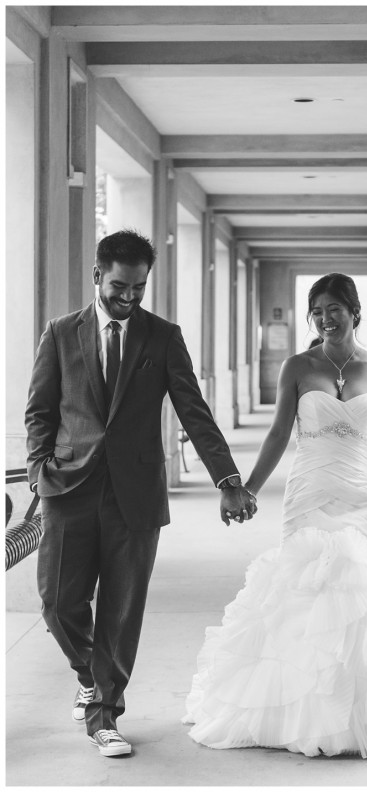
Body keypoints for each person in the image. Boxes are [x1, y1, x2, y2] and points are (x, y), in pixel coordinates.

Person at [182, 272, 367, 758]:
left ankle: (355, 712)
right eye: (317, 311)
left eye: (334, 309)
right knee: (304, 587)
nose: (325, 319)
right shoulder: (297, 366)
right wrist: (247, 488)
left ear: (355, 312)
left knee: (355, 587)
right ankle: (297, 709)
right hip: (308, 489)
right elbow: (276, 435)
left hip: (359, 494)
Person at [25, 229, 256, 757]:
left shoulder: (162, 336)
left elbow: (194, 411)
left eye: (139, 289)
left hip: (136, 494)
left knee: (122, 609)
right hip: (69, 488)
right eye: (120, 287)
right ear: (97, 277)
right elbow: (40, 409)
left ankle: (105, 713)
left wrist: (228, 480)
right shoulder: (60, 333)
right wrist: (40, 467)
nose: (128, 298)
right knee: (57, 603)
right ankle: (90, 673)